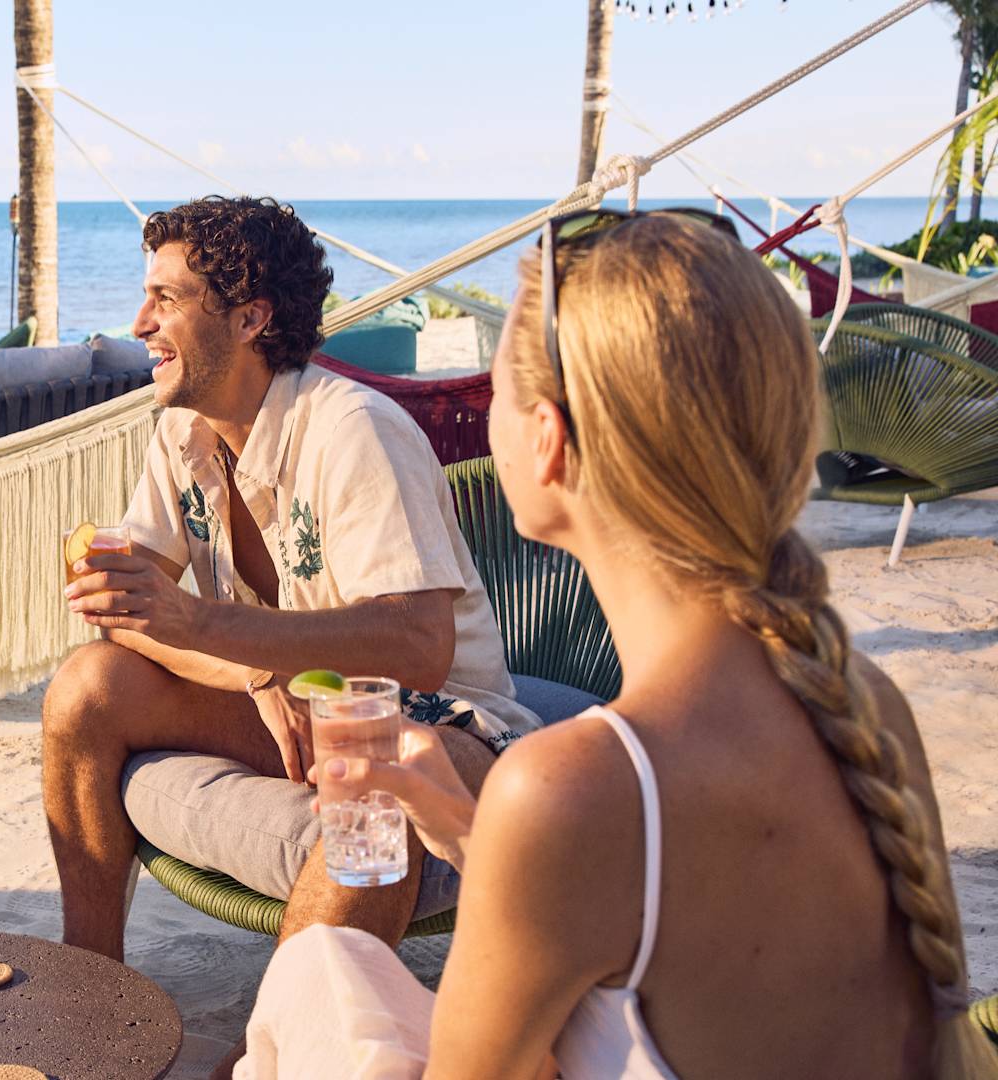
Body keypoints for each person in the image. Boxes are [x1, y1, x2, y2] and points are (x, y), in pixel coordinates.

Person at [235, 211, 998, 1078]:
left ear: (548, 443)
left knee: (314, 975)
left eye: (499, 394)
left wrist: (512, 835)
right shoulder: (863, 703)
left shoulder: (576, 787)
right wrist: (472, 838)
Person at [47, 196, 540, 964]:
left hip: (441, 722)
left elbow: (420, 645)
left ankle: (290, 1027)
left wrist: (206, 626)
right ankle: (91, 984)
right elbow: (131, 613)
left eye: (166, 299)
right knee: (87, 685)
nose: (140, 323)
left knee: (374, 775)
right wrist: (255, 673)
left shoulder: (355, 430)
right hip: (304, 705)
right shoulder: (182, 432)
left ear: (250, 318)